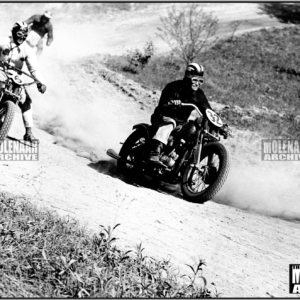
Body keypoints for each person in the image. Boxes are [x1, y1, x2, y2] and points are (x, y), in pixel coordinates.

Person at [148, 62, 213, 165]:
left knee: (195, 131)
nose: (197, 84)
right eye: (195, 80)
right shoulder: (173, 87)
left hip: (181, 124)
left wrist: (220, 124)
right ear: (187, 76)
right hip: (162, 117)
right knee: (171, 122)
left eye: (200, 81)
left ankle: (204, 164)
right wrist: (172, 104)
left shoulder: (199, 95)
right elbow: (162, 105)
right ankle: (154, 152)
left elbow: (207, 109)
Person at [0, 21, 47, 142]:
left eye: (24, 35)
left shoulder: (27, 49)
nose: (21, 37)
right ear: (14, 32)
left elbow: (34, 68)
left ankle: (28, 133)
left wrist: (40, 82)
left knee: (26, 101)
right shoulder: (3, 41)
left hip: (15, 75)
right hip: (0, 70)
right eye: (19, 33)